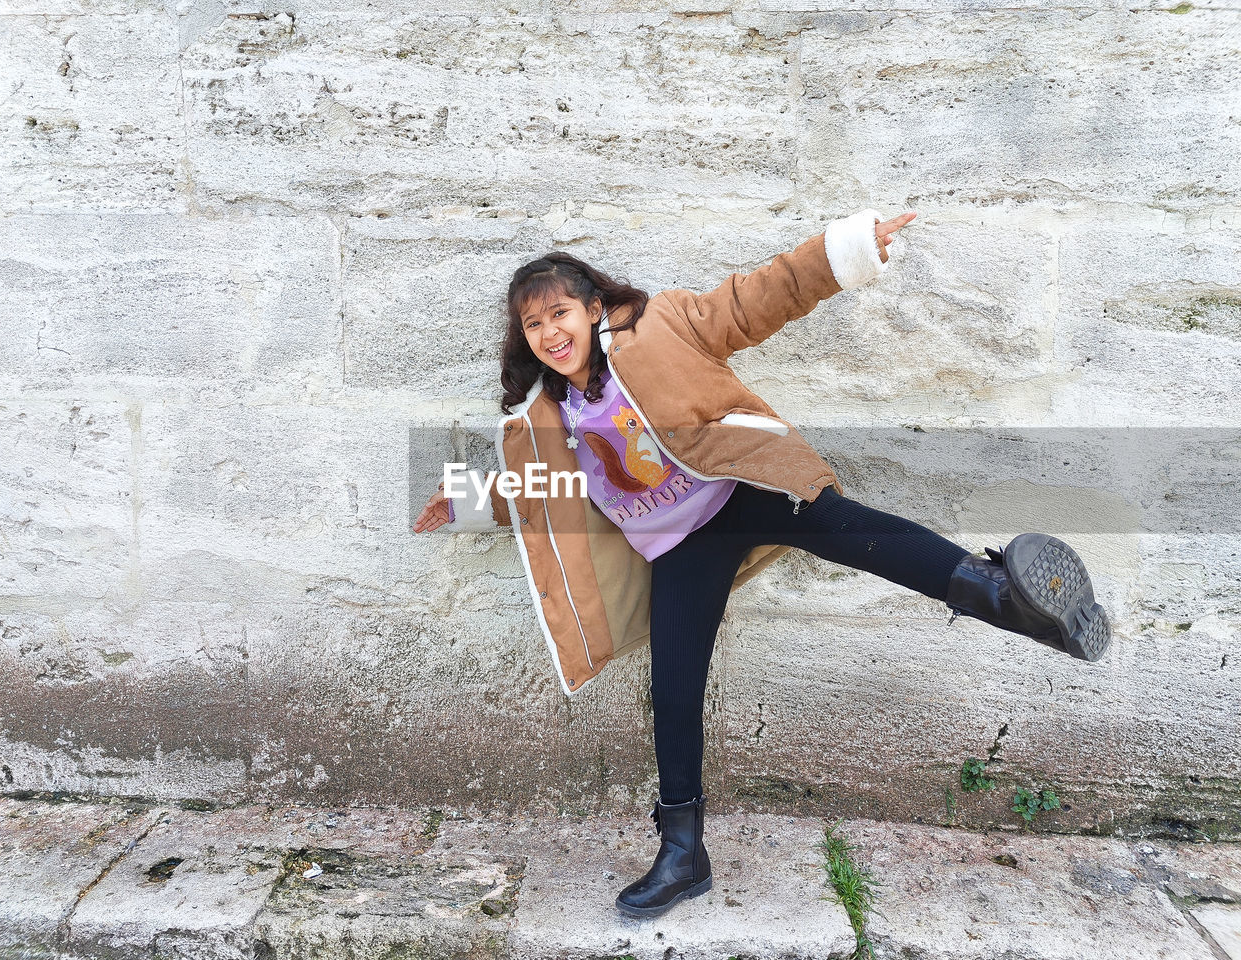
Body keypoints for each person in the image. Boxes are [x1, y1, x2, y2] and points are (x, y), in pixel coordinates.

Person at [412, 208, 1111, 919]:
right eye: (533, 325)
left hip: (741, 489)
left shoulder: (662, 325)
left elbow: (756, 299)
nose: (549, 333)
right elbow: (550, 492)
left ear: (594, 308)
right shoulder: (547, 417)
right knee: (675, 692)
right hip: (679, 546)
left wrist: (845, 252)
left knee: (852, 529)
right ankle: (684, 854)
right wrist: (467, 500)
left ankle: (1005, 596)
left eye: (560, 312)